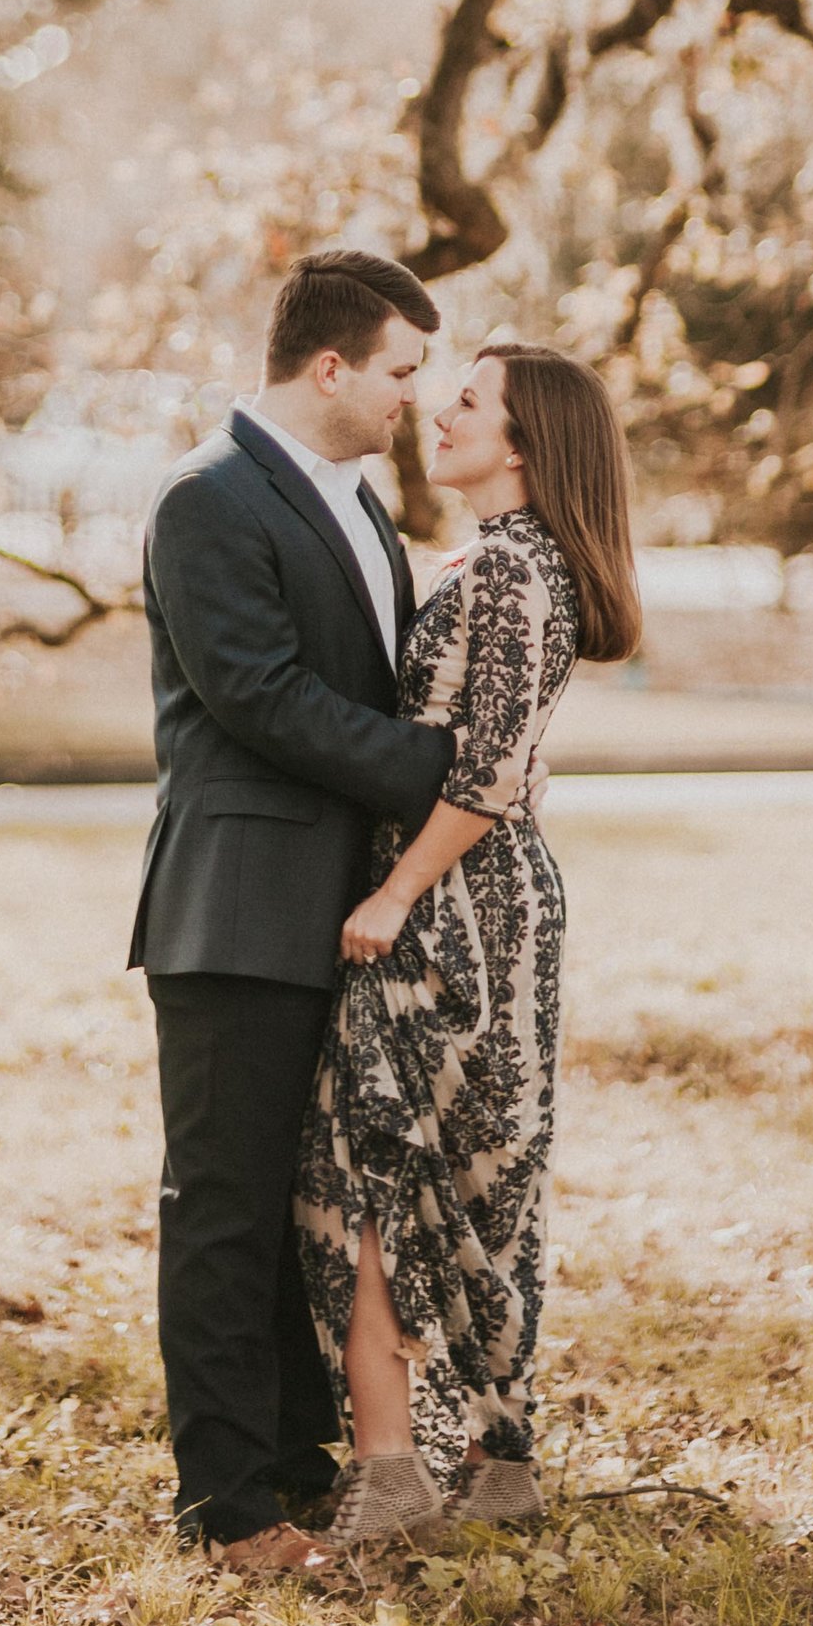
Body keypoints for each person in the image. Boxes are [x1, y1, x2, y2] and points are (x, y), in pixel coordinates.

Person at [129, 248, 455, 1576]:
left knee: (298, 1205)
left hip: (333, 912)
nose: (413, 399)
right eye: (400, 369)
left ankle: (291, 1453)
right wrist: (450, 770)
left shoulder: (357, 501)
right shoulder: (208, 500)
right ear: (330, 365)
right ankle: (225, 1502)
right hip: (236, 905)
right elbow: (260, 695)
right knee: (223, 1203)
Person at [294, 340, 642, 1543]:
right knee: (454, 1177)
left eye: (470, 401)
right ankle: (490, 1463)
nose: (439, 410)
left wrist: (394, 894)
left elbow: (488, 769)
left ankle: (406, 1475)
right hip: (478, 897)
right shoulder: (498, 562)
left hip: (459, 911)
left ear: (527, 442)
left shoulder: (511, 569)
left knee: (383, 1171)